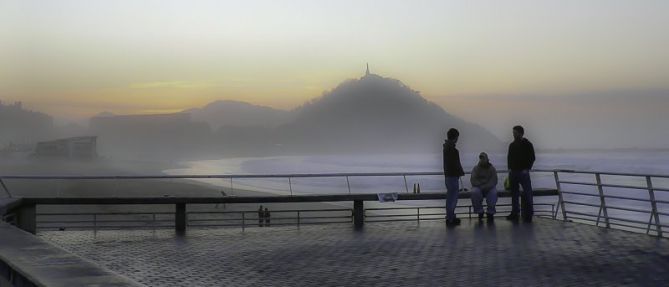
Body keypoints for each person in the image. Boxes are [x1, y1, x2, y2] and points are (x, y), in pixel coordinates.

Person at [506, 125, 536, 222]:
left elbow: (532, 157)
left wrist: (527, 168)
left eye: (515, 133)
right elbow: (509, 157)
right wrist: (509, 168)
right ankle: (515, 213)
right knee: (514, 194)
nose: (514, 134)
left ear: (521, 133)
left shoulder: (528, 144)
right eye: (513, 133)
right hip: (513, 172)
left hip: (523, 173)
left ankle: (529, 214)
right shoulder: (512, 145)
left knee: (527, 193)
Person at [443, 128, 465, 226]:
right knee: (453, 198)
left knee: (449, 198)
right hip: (453, 177)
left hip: (447, 176)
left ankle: (449, 217)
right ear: (455, 137)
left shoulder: (446, 148)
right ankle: (450, 218)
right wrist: (460, 172)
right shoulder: (453, 150)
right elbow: (455, 164)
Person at [470, 152, 498, 222]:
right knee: (474, 192)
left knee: (493, 193)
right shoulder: (475, 168)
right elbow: (473, 180)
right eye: (481, 158)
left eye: (483, 158)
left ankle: (490, 212)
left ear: (487, 159)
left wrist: (486, 186)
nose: (482, 160)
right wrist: (481, 185)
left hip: (489, 187)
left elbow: (494, 180)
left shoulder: (492, 169)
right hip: (478, 187)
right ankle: (479, 211)